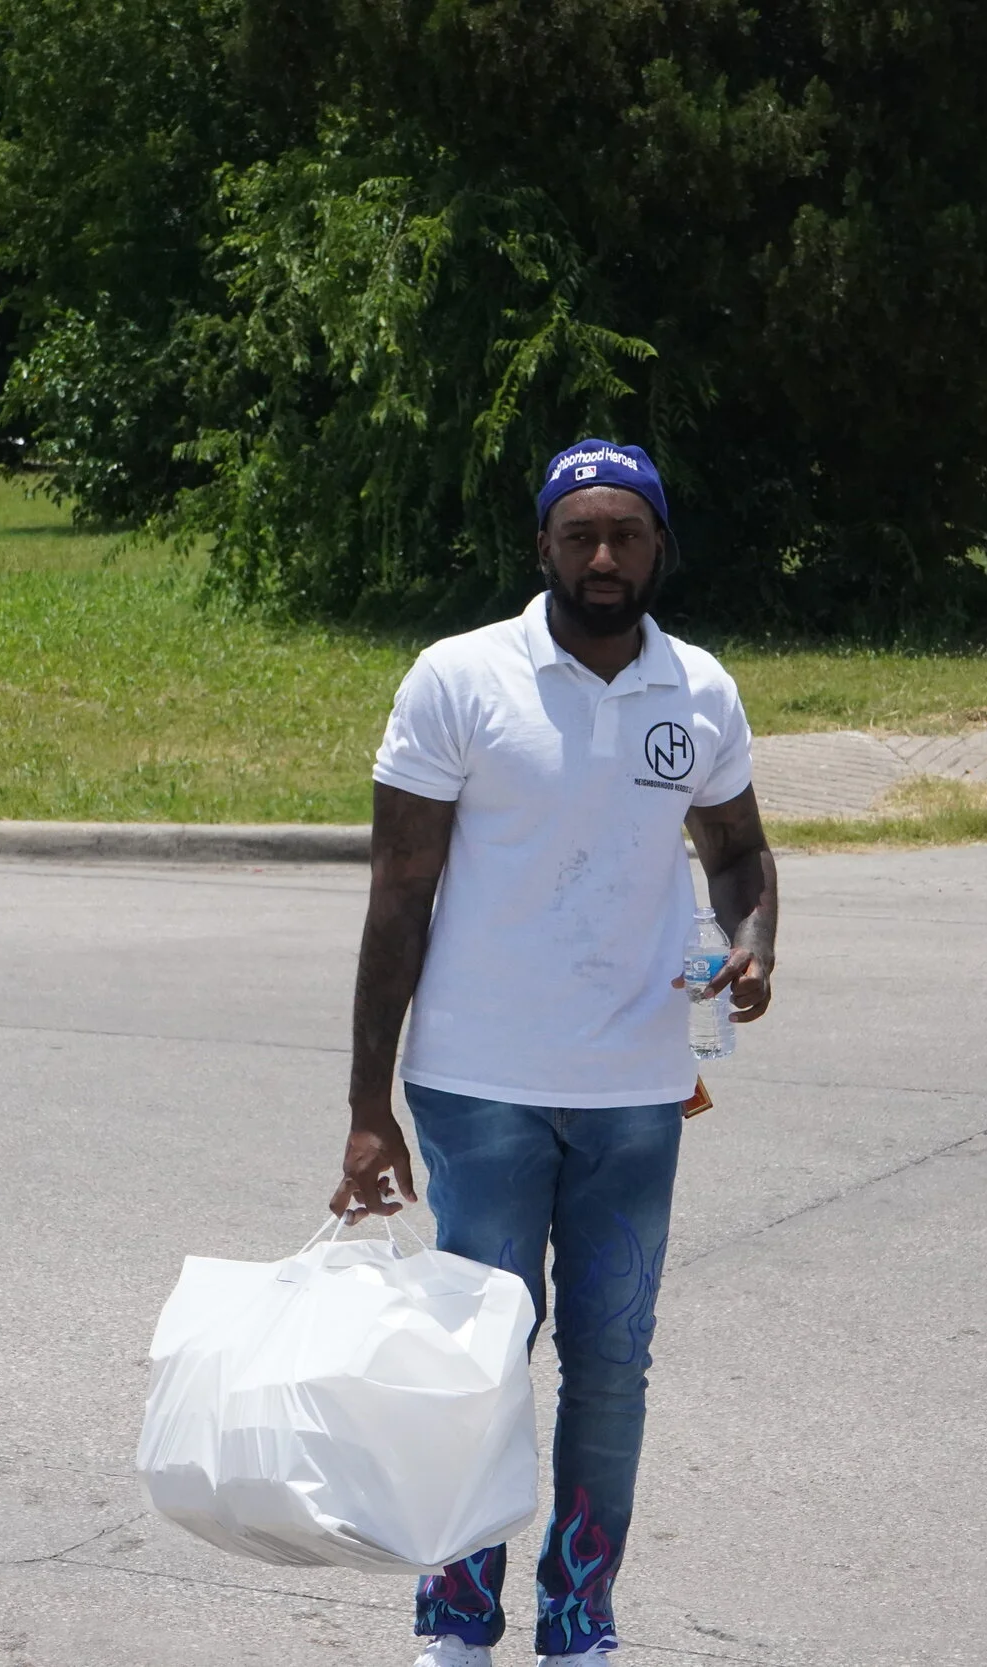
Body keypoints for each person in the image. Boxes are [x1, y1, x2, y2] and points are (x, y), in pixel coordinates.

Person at [331, 438, 779, 1663]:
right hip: (477, 1085)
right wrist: (370, 1105)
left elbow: (734, 848)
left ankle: (579, 1621)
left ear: (657, 548)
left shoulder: (700, 691)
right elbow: (397, 895)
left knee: (613, 1363)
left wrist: (753, 940)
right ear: (541, 545)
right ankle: (456, 1621)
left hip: (634, 1088)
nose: (600, 556)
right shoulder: (457, 679)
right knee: (477, 1360)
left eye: (625, 535)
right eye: (578, 534)